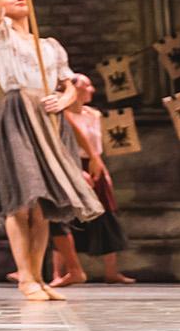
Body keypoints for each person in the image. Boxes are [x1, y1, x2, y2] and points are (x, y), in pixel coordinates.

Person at [0, 0, 102, 302]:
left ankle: (37, 275)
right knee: (22, 198)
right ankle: (26, 278)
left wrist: (65, 100)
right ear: (1, 5)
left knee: (44, 203)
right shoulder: (1, 34)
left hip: (48, 119)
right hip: (19, 112)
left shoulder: (49, 45)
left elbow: (70, 84)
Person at [48, 73, 133, 287]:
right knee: (64, 217)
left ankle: (111, 271)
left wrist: (103, 171)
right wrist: (77, 171)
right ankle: (58, 273)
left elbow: (96, 147)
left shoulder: (93, 114)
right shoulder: (62, 115)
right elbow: (60, 146)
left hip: (94, 166)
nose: (92, 89)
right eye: (87, 85)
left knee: (106, 214)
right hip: (72, 165)